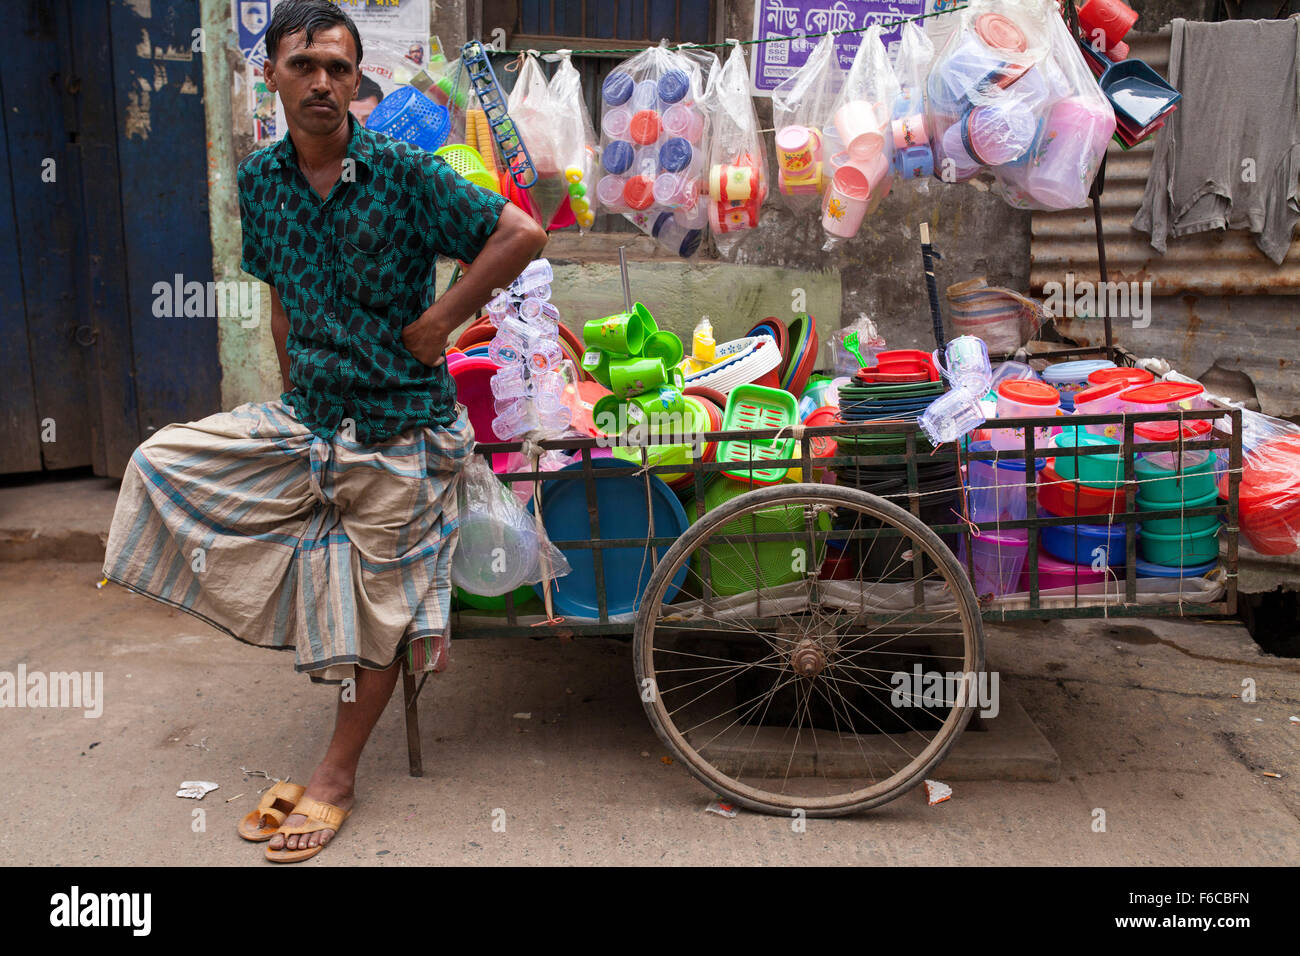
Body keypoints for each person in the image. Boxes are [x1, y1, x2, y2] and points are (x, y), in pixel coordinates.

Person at [101, 0, 547, 863]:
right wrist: (288, 392)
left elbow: (521, 232)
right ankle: (339, 602)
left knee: (378, 612)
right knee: (161, 460)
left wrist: (440, 326)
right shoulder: (261, 180)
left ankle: (336, 775)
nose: (322, 83)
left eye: (339, 69)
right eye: (304, 66)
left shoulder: (402, 172)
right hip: (309, 422)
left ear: (354, 81)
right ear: (270, 74)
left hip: (398, 431)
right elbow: (278, 300)